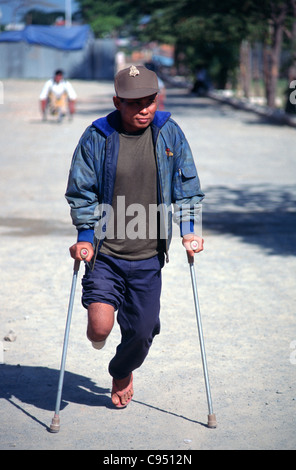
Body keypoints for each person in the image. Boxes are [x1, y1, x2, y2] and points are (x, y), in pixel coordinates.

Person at [65, 65, 204, 408]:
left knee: (142, 333)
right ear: (117, 102)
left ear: (158, 99)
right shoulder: (97, 136)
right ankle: (105, 336)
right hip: (105, 253)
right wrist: (84, 236)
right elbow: (82, 190)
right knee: (99, 329)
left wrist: (188, 232)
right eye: (133, 103)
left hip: (148, 257)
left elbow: (186, 186)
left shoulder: (169, 133)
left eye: (149, 101)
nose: (143, 109)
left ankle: (121, 369)